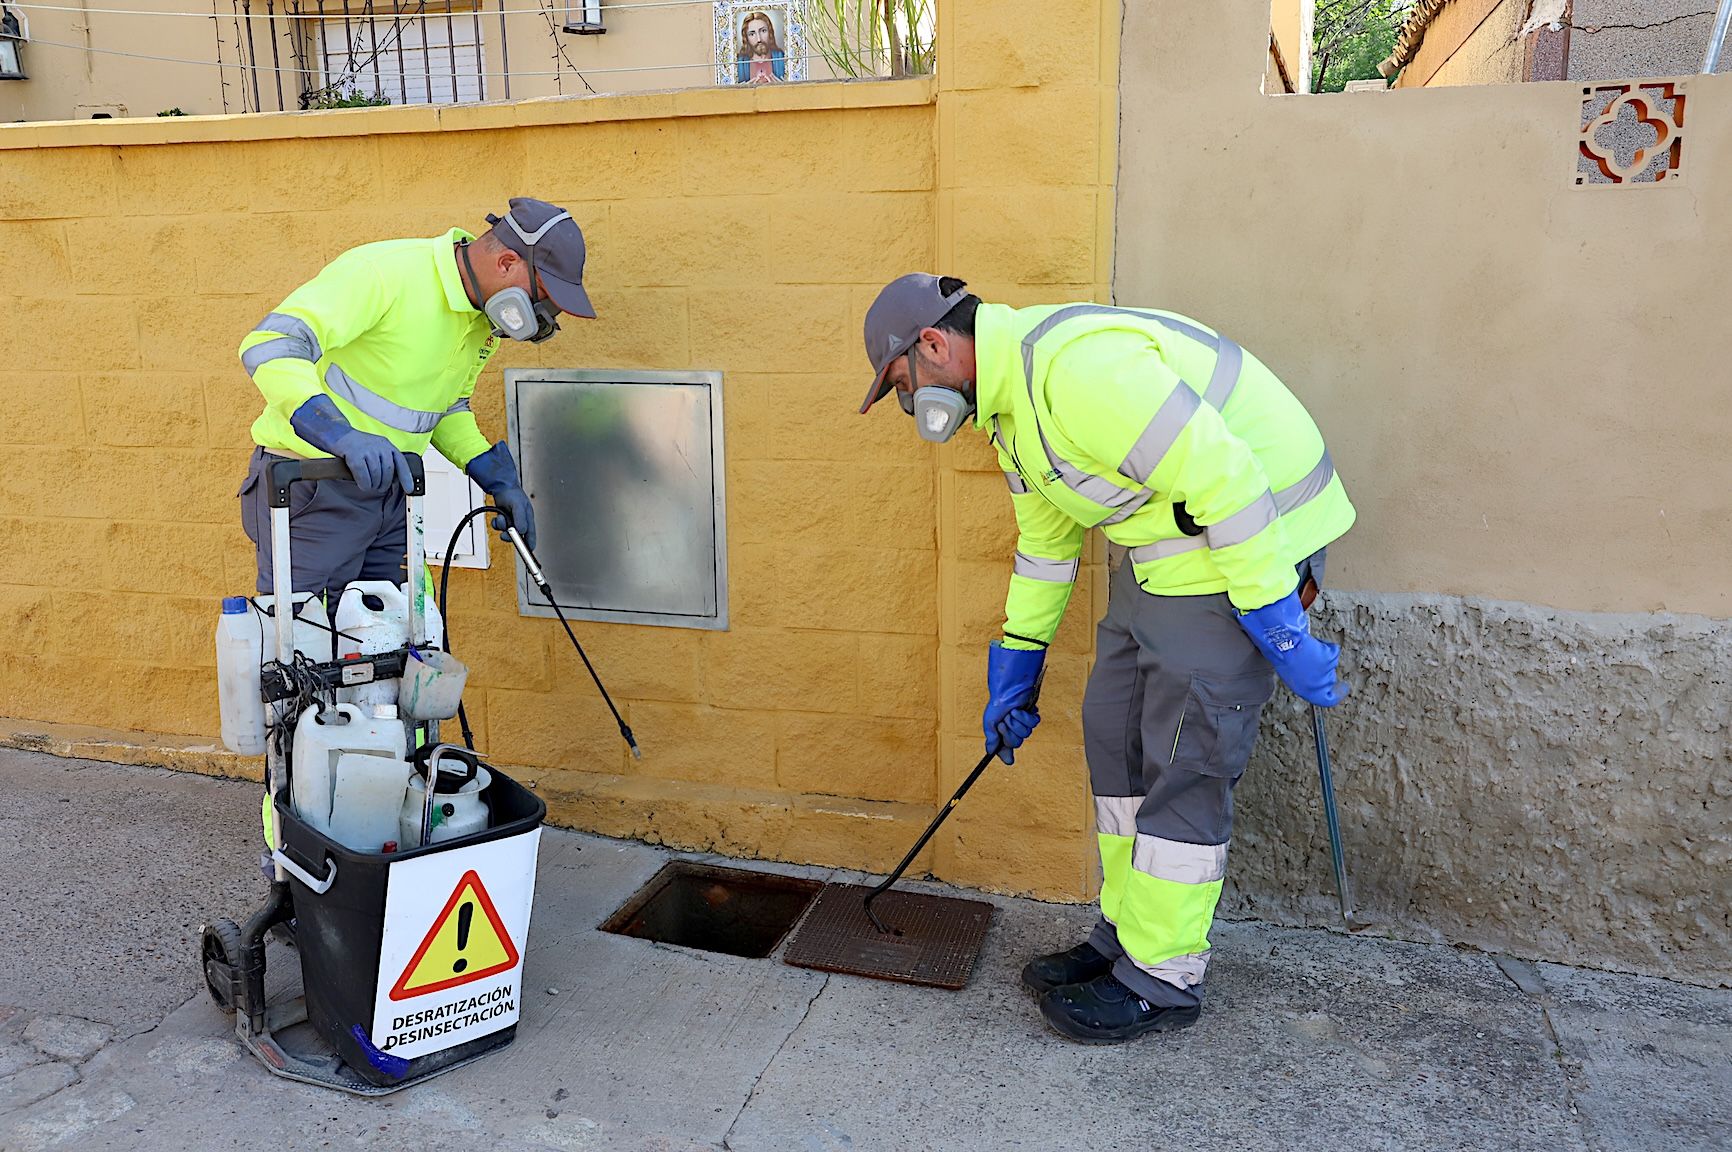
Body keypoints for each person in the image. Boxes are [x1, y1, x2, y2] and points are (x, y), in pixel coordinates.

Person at [858, 274, 1356, 1044]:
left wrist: (1277, 623)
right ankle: (1126, 935)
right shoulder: (1009, 412)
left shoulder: (1075, 372)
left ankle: (1163, 977)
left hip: (1244, 553)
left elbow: (1227, 480)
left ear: (932, 345)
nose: (908, 406)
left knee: (1183, 760)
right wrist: (1018, 662)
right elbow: (1048, 546)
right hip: (1160, 558)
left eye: (901, 387)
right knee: (1112, 734)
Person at [236, 197, 595, 607]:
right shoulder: (386, 273)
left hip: (391, 492)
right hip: (312, 487)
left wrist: (493, 474)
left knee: (393, 640)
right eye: (543, 296)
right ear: (507, 263)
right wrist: (340, 434)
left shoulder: (479, 321)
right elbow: (268, 344)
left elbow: (446, 407)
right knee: (309, 645)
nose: (541, 313)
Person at [735, 12, 786, 84]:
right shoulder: (739, 62)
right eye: (752, 34)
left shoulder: (782, 58)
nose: (759, 39)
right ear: (746, 38)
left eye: (763, 31)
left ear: (770, 32)